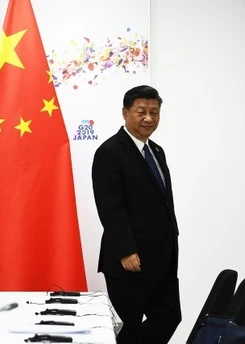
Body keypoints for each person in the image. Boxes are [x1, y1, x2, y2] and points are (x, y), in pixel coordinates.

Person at [92, 85, 181, 343]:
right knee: (129, 323)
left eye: (154, 112)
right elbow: (110, 207)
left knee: (169, 315)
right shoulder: (109, 153)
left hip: (163, 256)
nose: (149, 118)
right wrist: (125, 250)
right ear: (125, 112)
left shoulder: (157, 151)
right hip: (130, 259)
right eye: (141, 111)